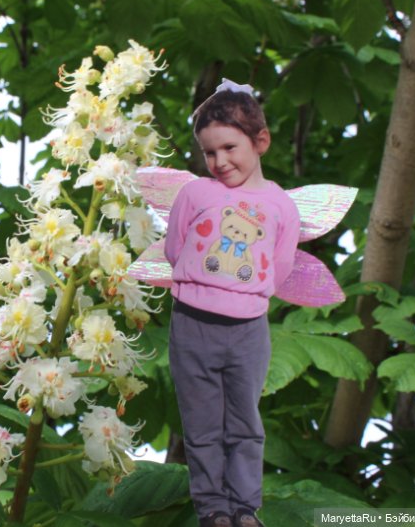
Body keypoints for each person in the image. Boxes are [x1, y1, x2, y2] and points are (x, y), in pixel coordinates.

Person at [164, 78, 300, 527]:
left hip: (248, 330)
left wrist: (240, 291)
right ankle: (213, 511)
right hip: (192, 325)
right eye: (209, 152)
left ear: (259, 141)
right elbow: (174, 249)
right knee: (201, 427)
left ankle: (245, 510)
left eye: (229, 148)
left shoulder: (281, 204)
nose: (220, 161)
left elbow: (279, 268)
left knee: (244, 426)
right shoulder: (194, 194)